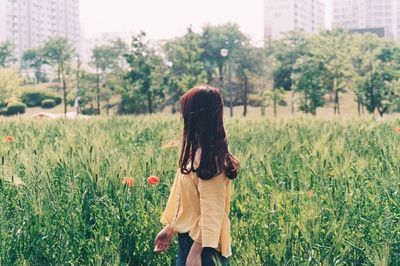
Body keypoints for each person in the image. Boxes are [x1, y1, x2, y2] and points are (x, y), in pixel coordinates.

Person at [154, 85, 240, 266]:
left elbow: (212, 211)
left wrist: (197, 251)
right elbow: (189, 201)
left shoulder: (210, 159)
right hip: (189, 240)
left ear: (197, 116)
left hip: (204, 249)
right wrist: (171, 228)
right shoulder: (197, 153)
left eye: (186, 112)